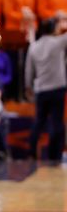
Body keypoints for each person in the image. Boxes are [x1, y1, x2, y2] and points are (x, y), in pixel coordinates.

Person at [25, 18, 67, 161]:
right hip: (57, 88)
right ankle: (54, 155)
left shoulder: (34, 46)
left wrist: (28, 87)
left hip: (40, 89)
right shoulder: (58, 42)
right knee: (57, 122)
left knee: (39, 122)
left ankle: (31, 153)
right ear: (53, 28)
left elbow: (28, 71)